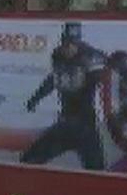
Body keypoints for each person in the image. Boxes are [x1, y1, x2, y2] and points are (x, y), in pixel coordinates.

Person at [21, 22, 109, 171]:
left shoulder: (92, 57)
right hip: (64, 123)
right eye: (66, 43)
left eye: (73, 44)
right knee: (28, 160)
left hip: (86, 126)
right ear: (62, 41)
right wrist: (35, 98)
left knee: (97, 172)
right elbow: (53, 80)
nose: (69, 48)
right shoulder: (58, 56)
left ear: (79, 43)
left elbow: (109, 79)